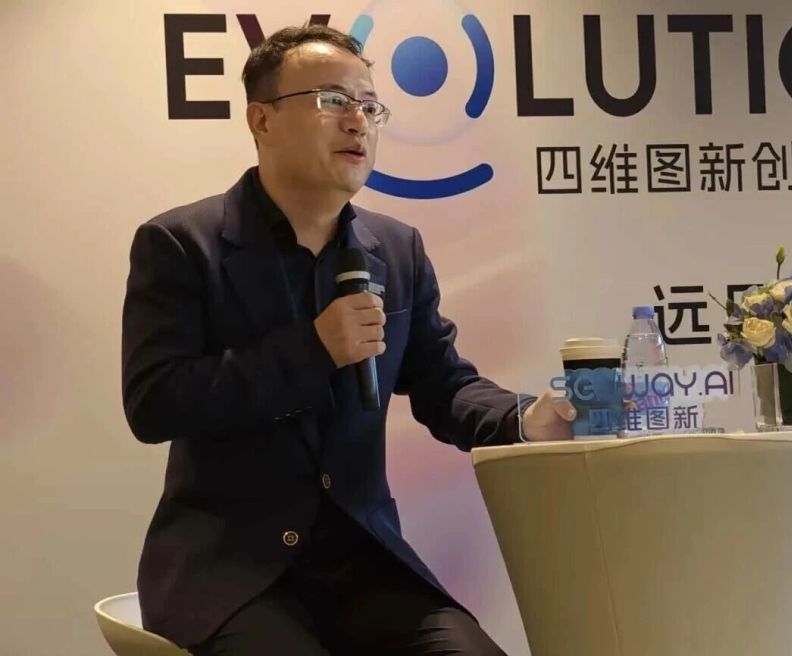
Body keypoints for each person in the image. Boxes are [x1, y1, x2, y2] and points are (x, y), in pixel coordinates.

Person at [121, 23, 573, 656]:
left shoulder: (396, 248)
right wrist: (313, 351)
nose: (358, 122)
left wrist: (525, 419)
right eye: (332, 101)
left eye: (369, 106)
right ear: (262, 120)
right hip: (233, 575)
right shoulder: (182, 245)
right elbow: (154, 403)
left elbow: (443, 384)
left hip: (366, 569)